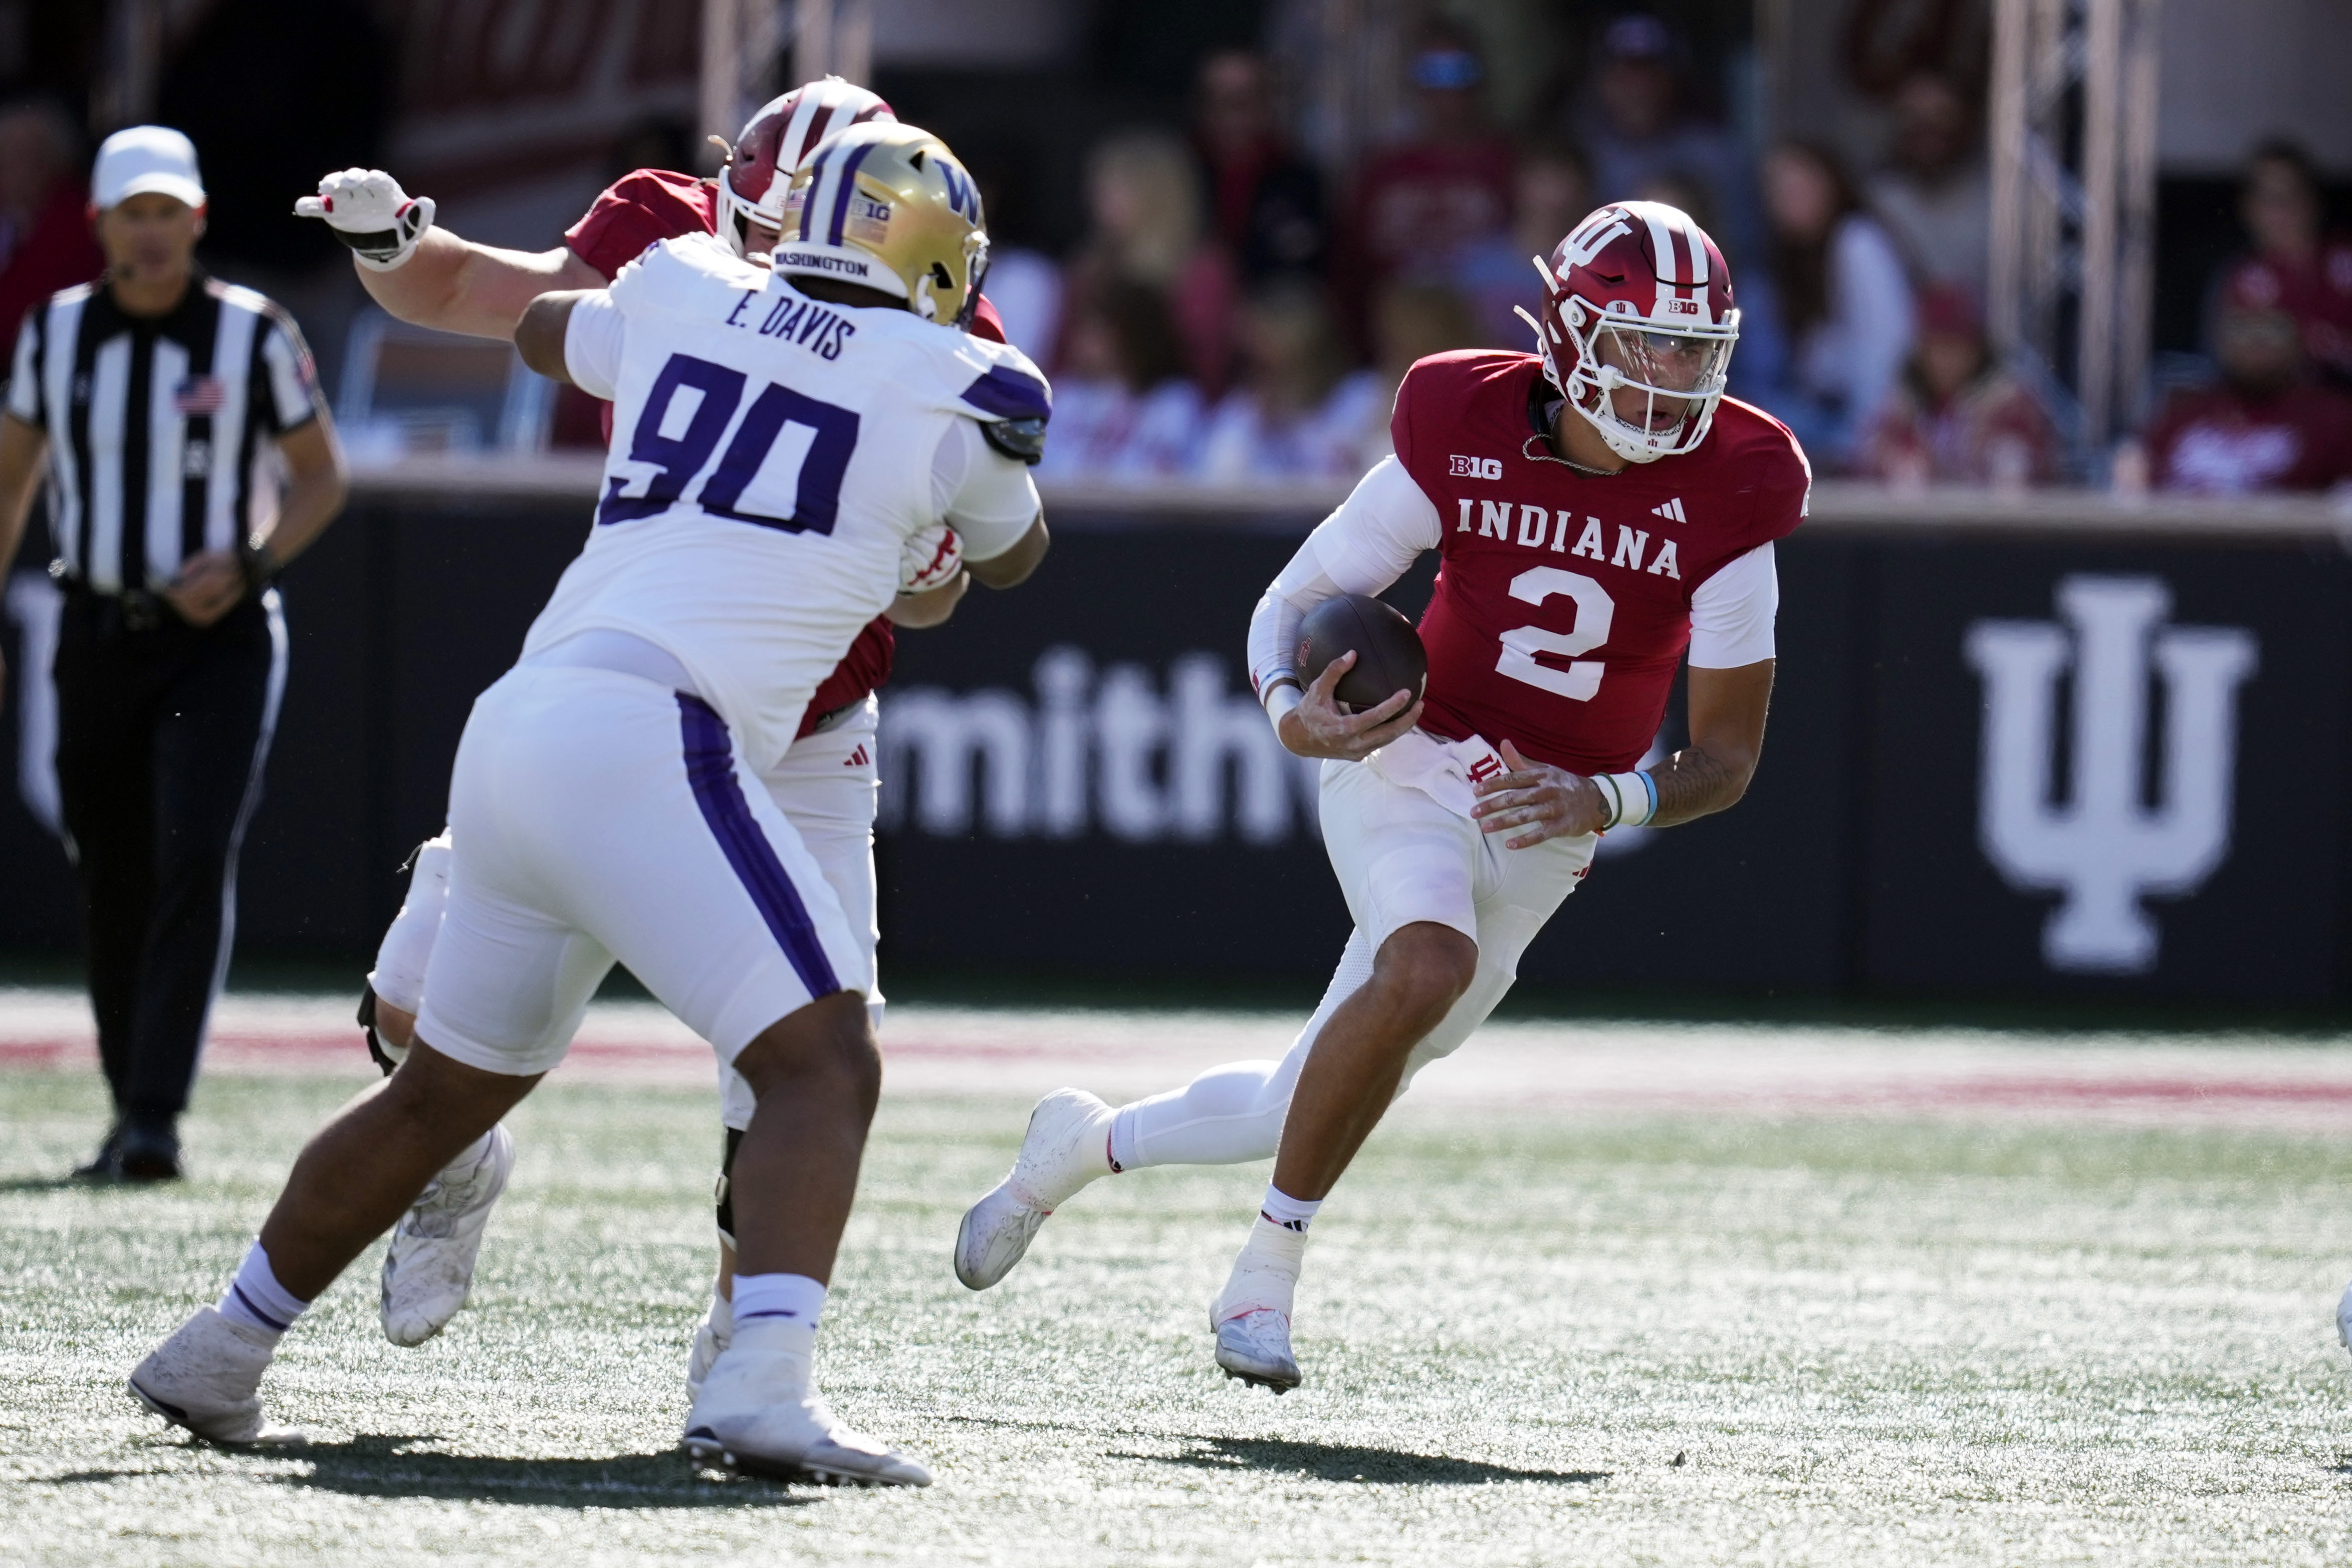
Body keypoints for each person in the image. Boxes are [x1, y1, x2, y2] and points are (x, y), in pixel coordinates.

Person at [128, 120, 1050, 1485]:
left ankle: (220, 1345)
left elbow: (548, 330)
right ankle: (761, 1382)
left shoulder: (681, 281)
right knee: (822, 1060)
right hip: (660, 735)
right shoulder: (959, 380)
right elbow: (1016, 554)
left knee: (438, 1096)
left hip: (524, 724)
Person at [956, 201, 1805, 1391]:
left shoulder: (1738, 485)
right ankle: (1263, 1279)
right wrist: (1286, 709)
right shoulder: (1464, 416)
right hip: (1412, 748)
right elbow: (1292, 603)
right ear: (1566, 335)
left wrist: (1600, 801)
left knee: (1299, 1096)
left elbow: (1722, 763)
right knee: (1424, 965)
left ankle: (1075, 1151)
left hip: (1545, 819)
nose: (1671, 378)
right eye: (1644, 342)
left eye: (1692, 349)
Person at [291, 81, 990, 1387]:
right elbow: (476, 297)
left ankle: (746, 1353)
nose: (790, 269)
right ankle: (454, 1160)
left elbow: (950, 569)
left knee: (794, 1062)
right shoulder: (667, 255)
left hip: (803, 727)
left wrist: (923, 557)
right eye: (766, 234)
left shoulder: (935, 315)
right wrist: (389, 245)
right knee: (409, 1001)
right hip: (639, 692)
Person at [0, 126, 348, 1181]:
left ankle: (155, 1115)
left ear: (196, 220)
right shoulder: (54, 334)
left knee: (193, 848)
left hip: (220, 641)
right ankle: (126, 1104)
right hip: (99, 629)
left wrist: (247, 565)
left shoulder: (251, 332)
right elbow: (11, 480)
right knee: (110, 867)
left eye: (167, 213)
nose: (150, 233)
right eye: (131, 213)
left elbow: (319, 478)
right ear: (100, 221)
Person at [1336, 22, 1516, 341]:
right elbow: (1351, 269)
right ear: (1413, 82)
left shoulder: (1507, 164)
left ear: (1480, 79)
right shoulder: (1382, 169)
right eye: (1432, 72)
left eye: (1459, 72)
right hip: (1389, 339)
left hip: (1482, 335)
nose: (1446, 87)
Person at [1753, 141, 1914, 472]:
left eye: (1802, 187)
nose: (1790, 200)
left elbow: (1887, 346)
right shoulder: (1794, 262)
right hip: (1827, 417)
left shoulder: (1859, 242)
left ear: (1832, 184)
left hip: (1867, 427)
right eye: (1779, 190)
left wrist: (1873, 441)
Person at [1569, 14, 1762, 271]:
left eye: (1651, 74)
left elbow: (1745, 255)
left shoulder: (1716, 155)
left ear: (1675, 79)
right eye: (1625, 73)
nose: (1638, 88)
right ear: (1603, 81)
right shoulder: (1580, 149)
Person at [1057, 129, 1236, 395]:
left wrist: (1127, 356)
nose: (1098, 202)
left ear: (1156, 195)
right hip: (1087, 419)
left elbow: (1206, 371)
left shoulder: (1200, 270)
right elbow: (1059, 360)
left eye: (1113, 190)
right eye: (1098, 190)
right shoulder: (1090, 266)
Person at [2144, 279, 2352, 494]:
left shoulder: (2333, 420)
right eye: (2241, 327)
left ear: (2299, 335)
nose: (2255, 342)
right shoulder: (2181, 415)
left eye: (2272, 327)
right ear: (2219, 336)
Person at [1861, 284, 2057, 489]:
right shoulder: (1901, 407)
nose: (1946, 360)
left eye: (1956, 347)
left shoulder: (2012, 406)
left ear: (1978, 350)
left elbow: (2025, 475)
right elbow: (1866, 467)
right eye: (1936, 347)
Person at [1195, 280, 1385, 482]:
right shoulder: (1243, 408)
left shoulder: (1361, 395)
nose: (1260, 353)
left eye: (1269, 338)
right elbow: (1213, 482)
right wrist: (1256, 424)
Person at [2212, 140, 2352, 389]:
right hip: (2291, 415)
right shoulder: (2243, 279)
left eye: (2292, 193)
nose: (2283, 210)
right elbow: (2242, 372)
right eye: (2269, 198)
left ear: (2313, 201)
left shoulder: (2344, 257)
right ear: (2248, 209)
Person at [1034, 278, 1202, 482]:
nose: (1082, 342)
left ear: (1131, 335)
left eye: (1098, 332)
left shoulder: (1174, 402)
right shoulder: (1066, 396)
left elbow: (1161, 480)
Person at [1193, 47, 1326, 285]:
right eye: (1220, 99)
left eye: (1247, 98)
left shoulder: (1301, 183)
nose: (1234, 112)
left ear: (1267, 103)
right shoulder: (1182, 176)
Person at [1442, 140, 1591, 348]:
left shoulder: (1592, 271)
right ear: (1519, 184)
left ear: (1581, 190)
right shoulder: (1472, 264)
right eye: (1541, 180)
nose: (1551, 197)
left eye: (1561, 182)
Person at [1864, 72, 1990, 298]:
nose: (1927, 132)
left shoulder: (1998, 198)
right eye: (1913, 118)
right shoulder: (1877, 201)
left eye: (1943, 116)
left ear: (1967, 121)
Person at [0, 98, 103, 364]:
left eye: (31, 156)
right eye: (7, 155)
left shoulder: (78, 224)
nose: (15, 168)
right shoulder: (10, 214)